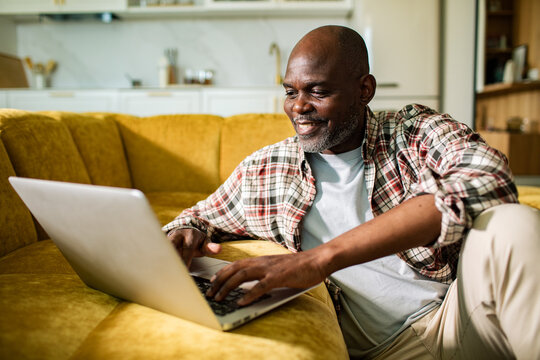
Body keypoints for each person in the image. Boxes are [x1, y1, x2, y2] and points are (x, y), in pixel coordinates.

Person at [163, 25, 540, 359]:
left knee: (514, 223)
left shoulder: (413, 133)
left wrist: (320, 259)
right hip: (386, 350)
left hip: (457, 317)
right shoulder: (265, 169)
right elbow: (198, 216)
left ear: (364, 90)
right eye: (290, 91)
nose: (298, 107)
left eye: (318, 91)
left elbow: (487, 179)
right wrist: (187, 232)